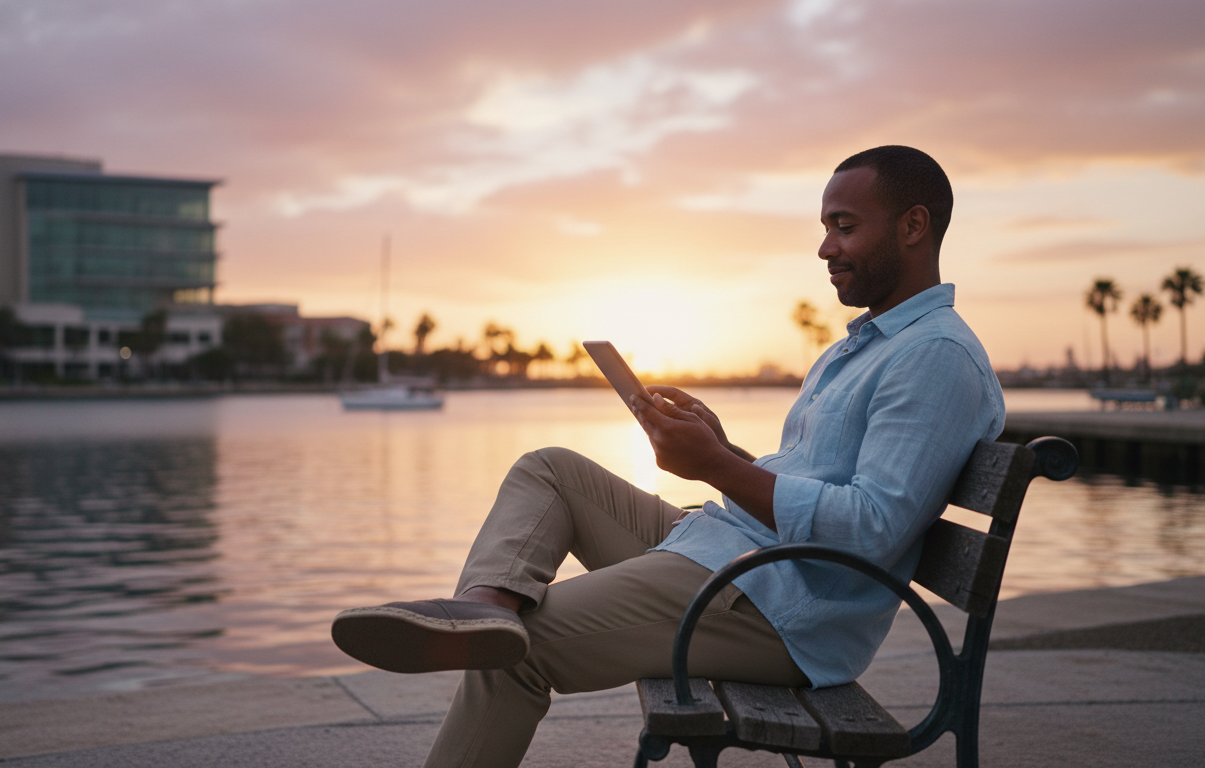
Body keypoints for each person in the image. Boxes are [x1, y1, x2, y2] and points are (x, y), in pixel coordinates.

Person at [331, 145, 1005, 768]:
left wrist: (714, 466)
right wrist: (723, 447)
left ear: (913, 226)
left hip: (778, 608)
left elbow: (871, 528)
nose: (826, 246)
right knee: (550, 469)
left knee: (515, 655)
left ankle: (494, 628)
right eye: (826, 227)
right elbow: (818, 483)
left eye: (844, 226)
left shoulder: (934, 357)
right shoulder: (866, 347)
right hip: (737, 556)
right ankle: (487, 603)